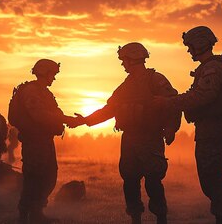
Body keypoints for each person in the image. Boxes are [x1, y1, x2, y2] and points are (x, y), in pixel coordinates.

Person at [74, 42, 181, 224]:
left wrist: (171, 128)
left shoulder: (155, 79)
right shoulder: (126, 86)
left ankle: (161, 218)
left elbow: (173, 103)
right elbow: (110, 109)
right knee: (130, 182)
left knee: (153, 181)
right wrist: (86, 120)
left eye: (124, 60)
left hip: (150, 138)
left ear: (131, 59)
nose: (123, 64)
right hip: (130, 139)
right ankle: (135, 218)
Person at [161, 27, 222, 223]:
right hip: (209, 130)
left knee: (212, 178)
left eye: (190, 46)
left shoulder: (212, 68)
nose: (189, 51)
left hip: (214, 130)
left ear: (200, 44)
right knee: (208, 179)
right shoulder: (208, 67)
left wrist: (170, 102)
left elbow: (204, 95)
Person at [8, 59, 81, 223]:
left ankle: (37, 212)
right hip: (34, 142)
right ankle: (25, 215)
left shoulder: (44, 92)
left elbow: (52, 113)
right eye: (52, 74)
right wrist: (64, 118)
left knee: (48, 176)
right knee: (34, 178)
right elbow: (39, 115)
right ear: (44, 73)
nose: (54, 78)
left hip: (44, 141)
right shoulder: (32, 91)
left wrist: (63, 120)